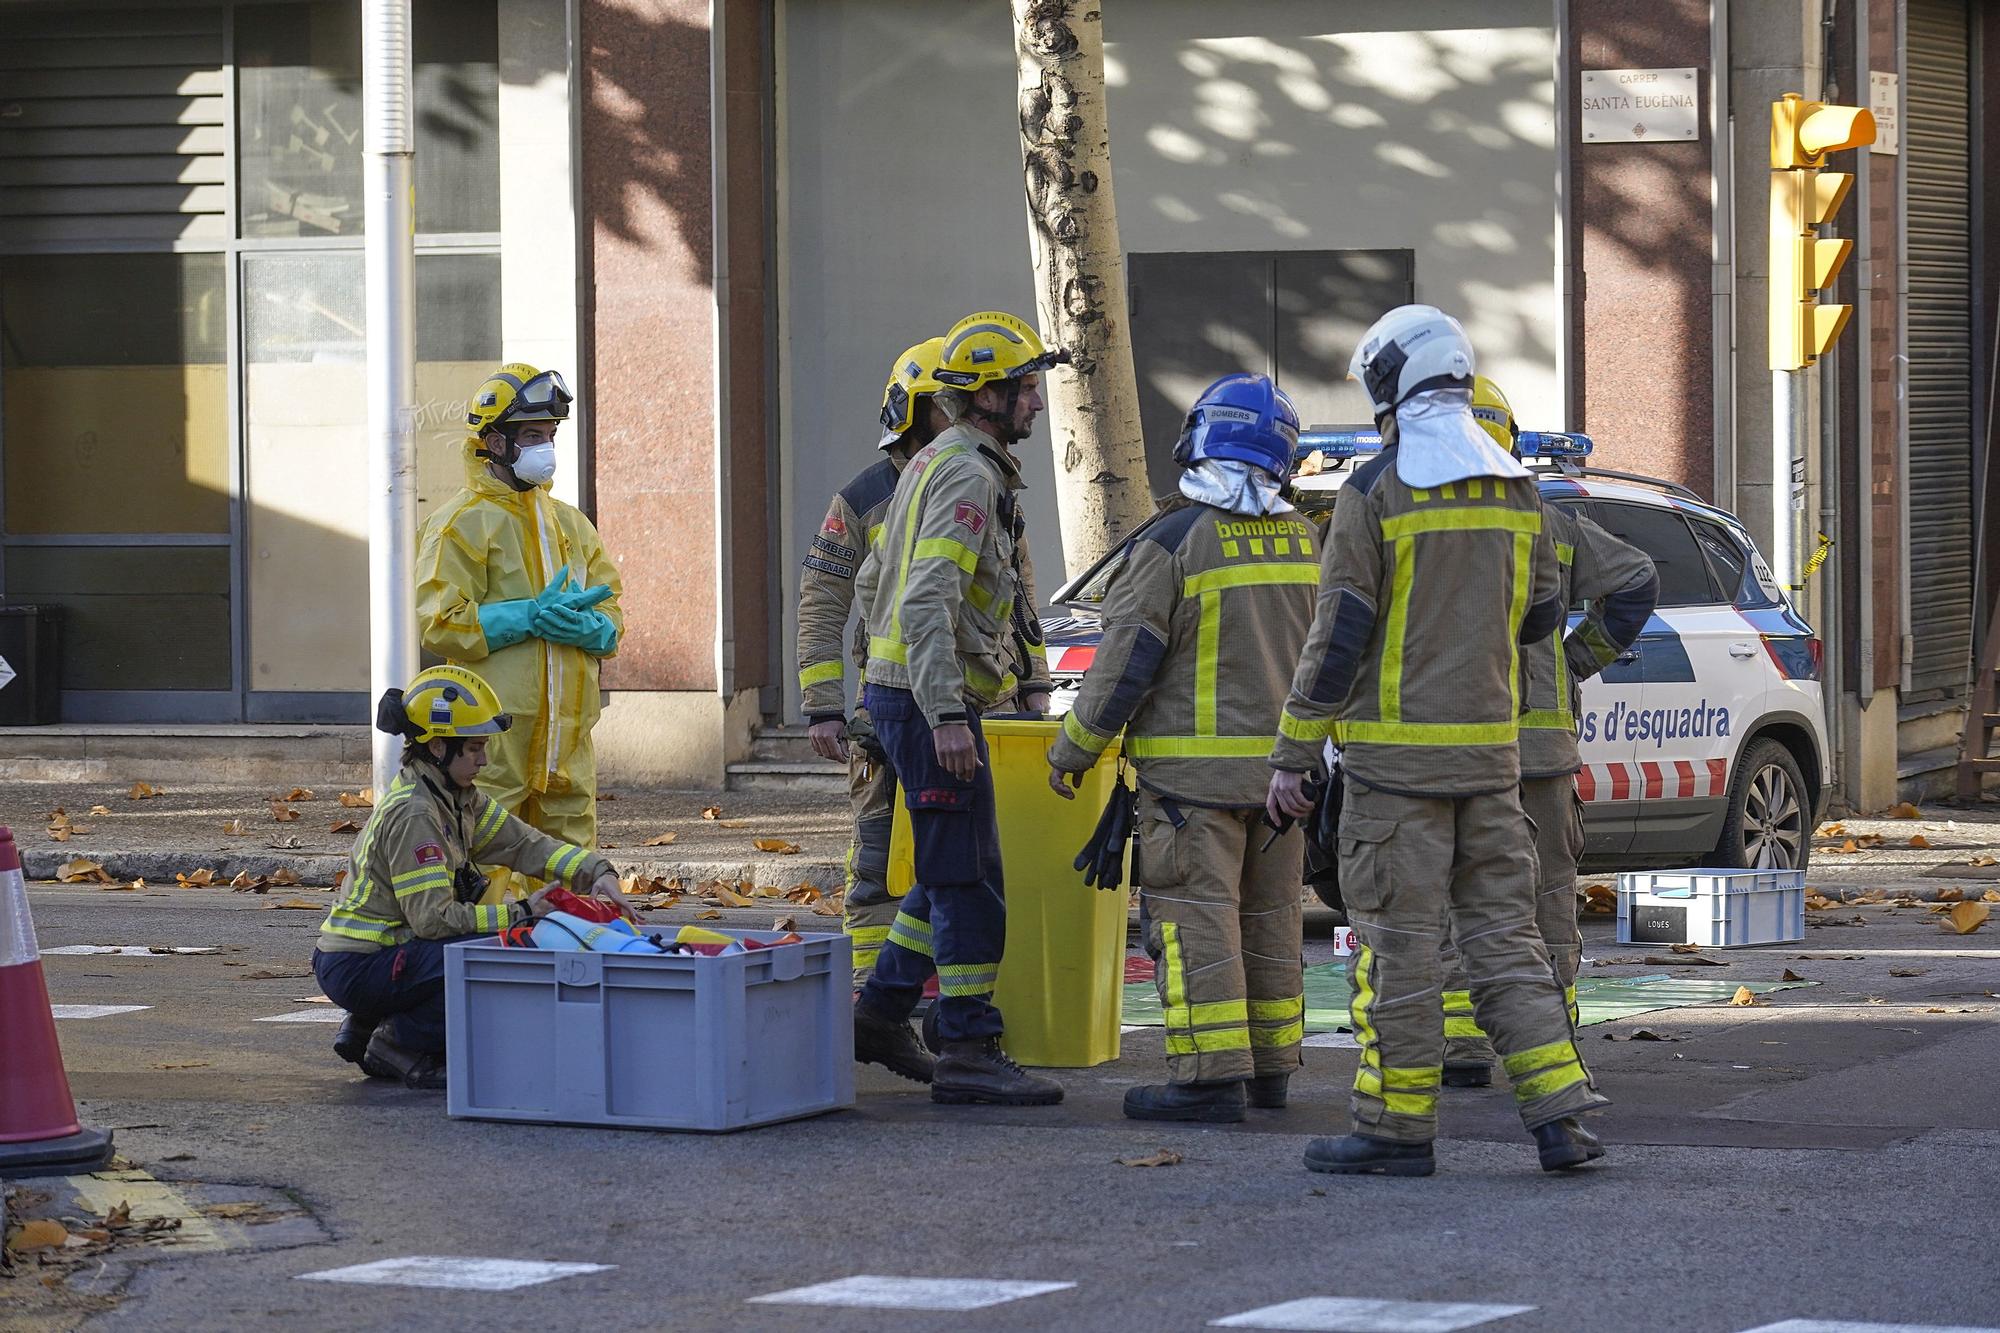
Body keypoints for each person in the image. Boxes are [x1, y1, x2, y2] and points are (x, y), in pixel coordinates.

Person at [1267, 305, 1609, 1176]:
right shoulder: (1517, 489)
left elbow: (1336, 638)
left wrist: (1294, 754)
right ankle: (1561, 1116)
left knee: (1402, 954)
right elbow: (1539, 615)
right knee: (1508, 942)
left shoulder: (1375, 491)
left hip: (1395, 775)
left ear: (1391, 386)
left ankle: (1394, 1130)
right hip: (1494, 770)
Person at [1047, 372, 1319, 1124]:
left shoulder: (1175, 540)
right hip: (1281, 785)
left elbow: (1127, 660)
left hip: (1191, 788)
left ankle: (1206, 1080)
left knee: (1196, 923)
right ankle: (1270, 1072)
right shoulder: (1303, 535)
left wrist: (1073, 750)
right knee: (1270, 923)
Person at [847, 310, 1068, 1106]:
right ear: (988, 397)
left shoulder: (936, 462)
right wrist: (944, 714)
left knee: (943, 866)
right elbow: (926, 595)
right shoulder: (970, 475)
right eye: (1026, 389)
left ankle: (881, 1010)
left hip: (910, 695)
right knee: (970, 879)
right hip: (929, 704)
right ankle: (969, 1043)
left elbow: (879, 586)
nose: (1037, 403)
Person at [1437, 377, 1658, 1087]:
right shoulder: (1547, 521)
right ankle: (1556, 1043)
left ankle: (1462, 1048)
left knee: (1455, 894)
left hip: (1457, 751)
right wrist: (1572, 663)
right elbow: (1636, 580)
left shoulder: (1418, 519)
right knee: (1546, 899)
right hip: (1543, 755)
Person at [313, 666, 624, 1089]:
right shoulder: (416, 813)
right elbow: (433, 921)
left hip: (378, 959)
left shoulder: (459, 800)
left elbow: (524, 846)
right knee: (492, 962)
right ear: (438, 746)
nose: (485, 759)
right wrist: (520, 912)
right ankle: (397, 1040)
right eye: (474, 748)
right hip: (359, 964)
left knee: (485, 952)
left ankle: (371, 1023)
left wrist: (597, 873)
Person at [416, 365, 623, 904]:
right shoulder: (460, 523)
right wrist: (527, 616)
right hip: (492, 742)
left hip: (567, 744)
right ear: (493, 442)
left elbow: (612, 611)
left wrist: (597, 631)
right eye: (533, 436)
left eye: (550, 435)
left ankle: (568, 976)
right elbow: (442, 621)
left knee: (572, 877)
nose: (545, 447)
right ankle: (483, 975)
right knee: (486, 860)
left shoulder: (570, 524)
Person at [798, 339, 948, 989]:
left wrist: (1028, 685)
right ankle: (873, 995)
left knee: (962, 856)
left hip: (967, 709)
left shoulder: (985, 482)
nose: (962, 415)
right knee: (880, 860)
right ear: (909, 411)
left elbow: (1017, 598)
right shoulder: (862, 498)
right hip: (883, 713)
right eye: (947, 404)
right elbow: (822, 600)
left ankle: (952, 982)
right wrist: (823, 705)